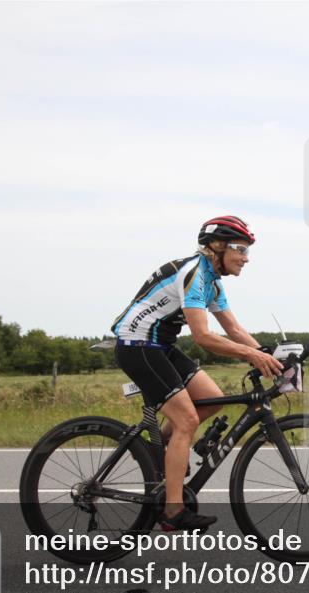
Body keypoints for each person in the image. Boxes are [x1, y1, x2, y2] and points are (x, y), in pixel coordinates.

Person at [110, 215, 283, 530]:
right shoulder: (194, 274)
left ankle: (155, 449)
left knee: (213, 399)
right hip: (138, 347)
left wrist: (272, 358)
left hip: (160, 345)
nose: (246, 259)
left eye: (247, 252)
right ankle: (173, 513)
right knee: (187, 420)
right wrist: (252, 356)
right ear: (217, 247)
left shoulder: (212, 281)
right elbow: (203, 337)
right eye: (240, 250)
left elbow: (233, 329)